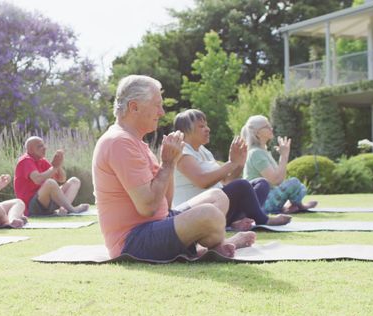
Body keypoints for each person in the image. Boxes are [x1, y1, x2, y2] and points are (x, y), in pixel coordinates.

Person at [92, 75, 255, 260]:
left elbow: (165, 205)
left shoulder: (135, 142)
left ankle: (210, 248)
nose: (161, 112)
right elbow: (148, 208)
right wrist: (167, 164)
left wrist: (171, 163)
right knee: (211, 215)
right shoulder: (118, 142)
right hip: (133, 241)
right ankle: (212, 248)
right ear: (134, 107)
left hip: (158, 223)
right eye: (157, 105)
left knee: (217, 197)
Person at [173, 109, 291, 230]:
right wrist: (231, 163)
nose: (207, 129)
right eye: (201, 126)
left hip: (217, 205)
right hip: (195, 211)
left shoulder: (204, 151)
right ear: (186, 131)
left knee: (261, 183)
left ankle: (235, 221)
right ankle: (263, 219)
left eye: (206, 125)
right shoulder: (182, 151)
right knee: (242, 185)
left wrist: (239, 164)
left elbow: (225, 182)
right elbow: (202, 181)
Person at [241, 115, 318, 214]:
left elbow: (280, 180)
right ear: (258, 133)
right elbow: (276, 181)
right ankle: (297, 206)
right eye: (267, 127)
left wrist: (283, 155)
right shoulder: (256, 153)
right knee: (294, 183)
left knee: (299, 186)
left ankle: (293, 206)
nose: (271, 128)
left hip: (267, 199)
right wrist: (284, 156)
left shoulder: (262, 151)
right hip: (261, 204)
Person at [13, 136, 89, 216]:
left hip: (45, 201)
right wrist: (54, 167)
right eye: (40, 146)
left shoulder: (42, 160)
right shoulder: (25, 160)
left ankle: (63, 210)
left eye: (43, 145)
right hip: (31, 207)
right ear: (30, 150)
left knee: (74, 181)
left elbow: (61, 179)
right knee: (50, 183)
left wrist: (58, 165)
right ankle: (72, 210)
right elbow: (38, 179)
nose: (44, 148)